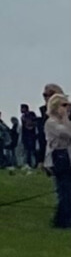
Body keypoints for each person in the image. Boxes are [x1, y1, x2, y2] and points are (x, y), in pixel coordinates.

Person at [47, 95, 71, 230]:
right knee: (65, 191)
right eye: (64, 106)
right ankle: (61, 221)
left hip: (67, 156)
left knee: (68, 191)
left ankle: (65, 218)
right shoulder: (51, 123)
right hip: (60, 157)